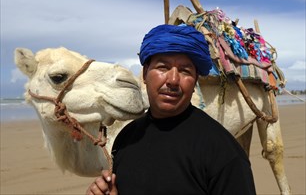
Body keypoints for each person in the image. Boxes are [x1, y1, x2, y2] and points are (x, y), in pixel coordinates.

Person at [86, 24, 256, 195]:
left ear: (195, 79)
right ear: (145, 74)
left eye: (185, 71)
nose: (173, 80)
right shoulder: (126, 138)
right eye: (163, 67)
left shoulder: (223, 152)